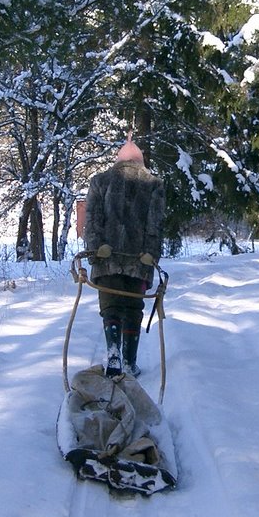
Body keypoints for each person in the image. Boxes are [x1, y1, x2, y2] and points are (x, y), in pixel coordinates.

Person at [84, 135, 165, 377]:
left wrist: (96, 248)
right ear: (140, 160)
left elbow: (92, 221)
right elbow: (155, 224)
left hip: (106, 260)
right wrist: (151, 253)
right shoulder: (154, 184)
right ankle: (129, 361)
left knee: (110, 307)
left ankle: (113, 354)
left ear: (118, 161)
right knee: (133, 308)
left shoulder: (100, 182)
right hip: (139, 262)